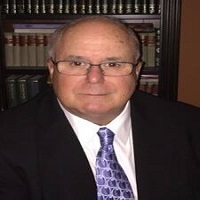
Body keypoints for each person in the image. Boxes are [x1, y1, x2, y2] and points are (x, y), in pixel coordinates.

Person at [0, 16, 200, 200]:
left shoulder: (189, 127)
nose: (95, 78)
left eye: (113, 64)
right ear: (52, 71)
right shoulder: (7, 140)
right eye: (76, 63)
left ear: (137, 71)